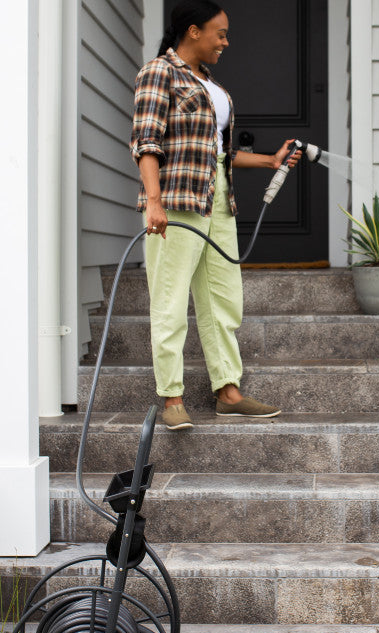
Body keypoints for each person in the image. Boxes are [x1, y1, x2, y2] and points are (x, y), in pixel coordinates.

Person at [130, 0, 300, 430]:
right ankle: (172, 398)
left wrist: (270, 161)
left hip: (219, 201)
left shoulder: (212, 85)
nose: (225, 41)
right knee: (169, 301)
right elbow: (146, 142)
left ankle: (228, 391)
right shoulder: (160, 73)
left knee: (223, 300)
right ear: (193, 31)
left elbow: (220, 155)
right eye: (219, 33)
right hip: (174, 200)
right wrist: (153, 200)